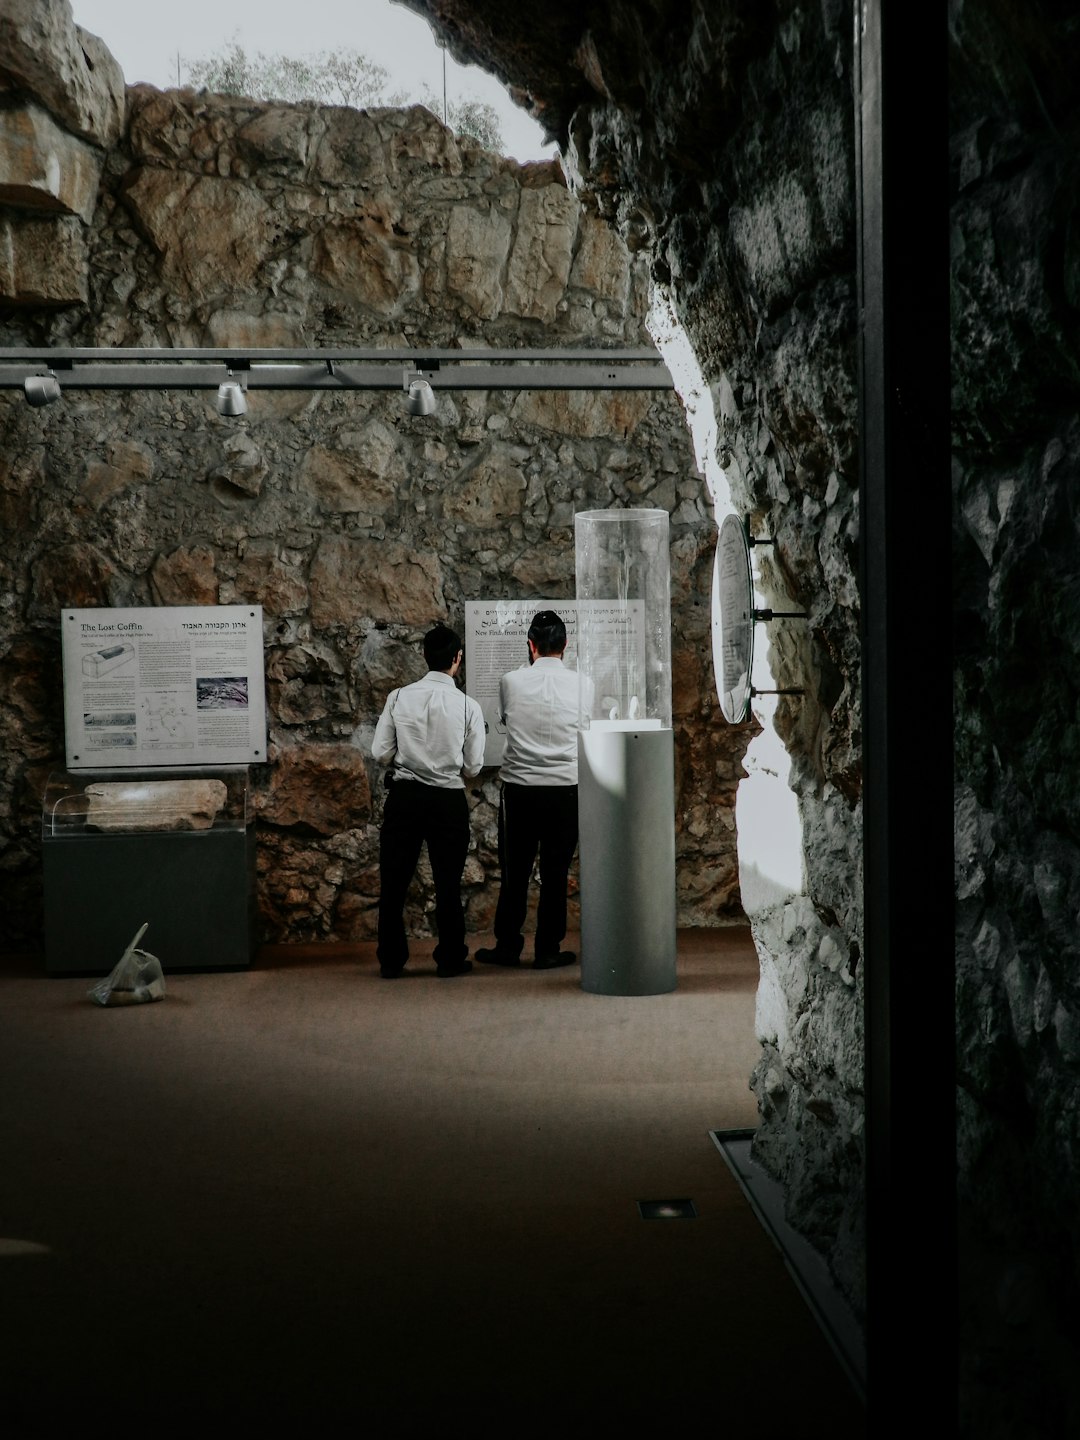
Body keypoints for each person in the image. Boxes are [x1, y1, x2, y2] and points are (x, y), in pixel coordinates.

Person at [372, 623, 485, 979]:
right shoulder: (469, 706)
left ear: (424, 656)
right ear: (457, 659)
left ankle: (391, 959)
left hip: (405, 797)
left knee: (394, 882)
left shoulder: (398, 697)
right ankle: (450, 957)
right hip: (447, 801)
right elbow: (473, 767)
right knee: (448, 883)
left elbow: (379, 752)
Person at [476, 609, 584, 971]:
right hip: (565, 789)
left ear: (530, 645)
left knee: (515, 871)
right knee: (555, 873)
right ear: (565, 645)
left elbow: (507, 718)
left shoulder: (511, 681)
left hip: (520, 789)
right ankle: (548, 949)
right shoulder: (585, 684)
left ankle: (508, 946)